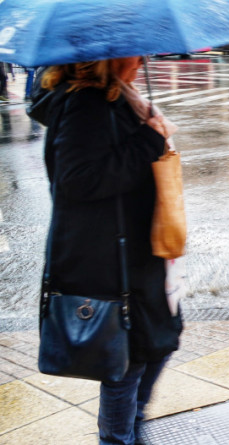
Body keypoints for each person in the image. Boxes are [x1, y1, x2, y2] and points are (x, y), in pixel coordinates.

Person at [27, 57, 183, 445]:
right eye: (134, 51)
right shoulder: (85, 103)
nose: (142, 58)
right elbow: (78, 181)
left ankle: (132, 426)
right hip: (108, 257)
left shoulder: (117, 98)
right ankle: (119, 438)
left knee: (157, 341)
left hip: (132, 250)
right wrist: (148, 138)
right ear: (108, 58)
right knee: (129, 356)